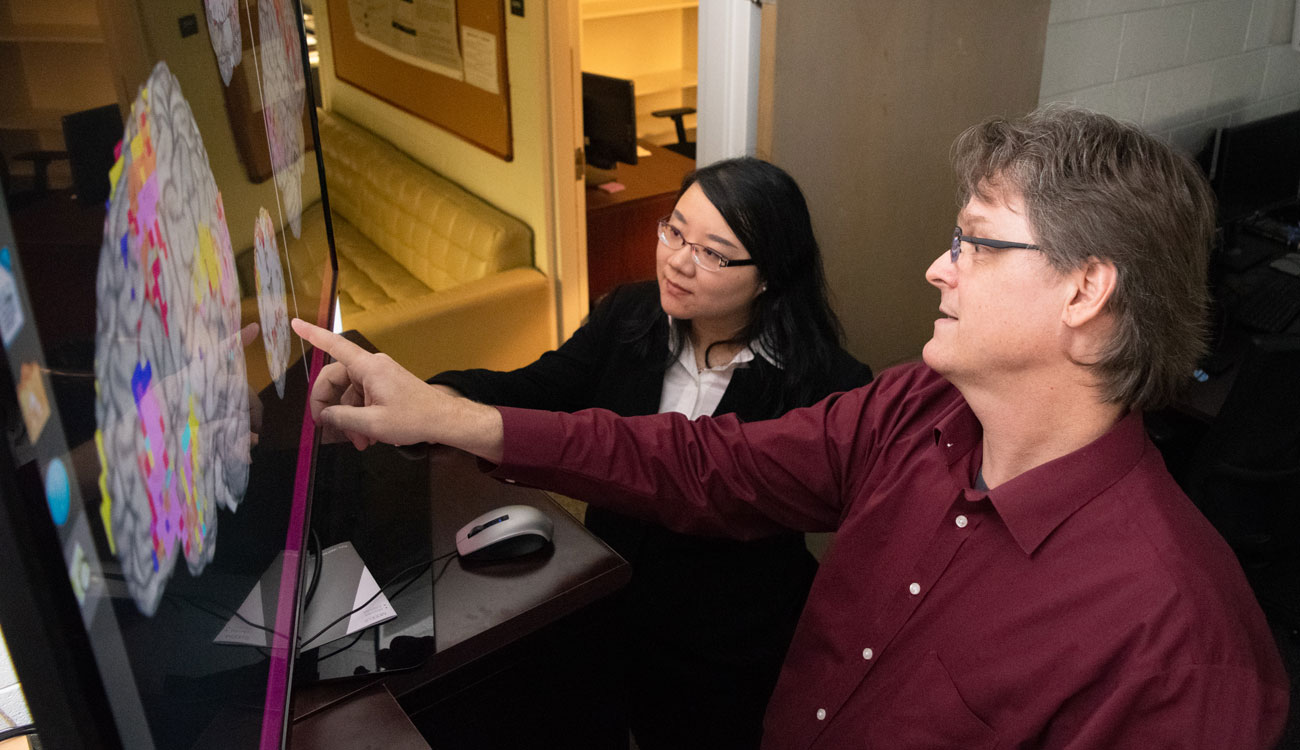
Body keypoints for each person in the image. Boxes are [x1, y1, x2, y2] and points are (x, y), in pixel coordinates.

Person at [291, 105, 1290, 748]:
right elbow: (703, 463)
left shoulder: (1180, 647)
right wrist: (450, 415)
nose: (937, 270)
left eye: (974, 246)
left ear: (1084, 289)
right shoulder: (913, 409)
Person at [426, 157, 872, 750]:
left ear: (769, 276)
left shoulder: (826, 387)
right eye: (675, 231)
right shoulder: (629, 313)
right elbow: (538, 388)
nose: (678, 262)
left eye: (713, 254)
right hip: (609, 603)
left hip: (727, 648)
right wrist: (434, 399)